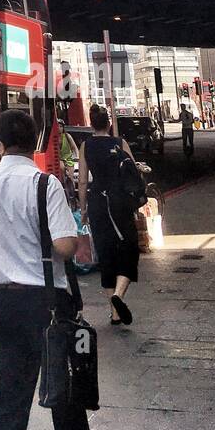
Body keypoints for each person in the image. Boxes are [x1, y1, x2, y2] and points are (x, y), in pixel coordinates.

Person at [0, 106, 97, 430]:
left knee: (6, 396)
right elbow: (65, 247)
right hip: (47, 304)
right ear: (34, 142)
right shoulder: (45, 183)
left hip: (3, 304)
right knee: (65, 395)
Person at [78, 104, 140, 327]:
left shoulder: (85, 146)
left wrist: (83, 210)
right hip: (120, 201)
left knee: (105, 254)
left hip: (97, 202)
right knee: (129, 248)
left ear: (92, 124)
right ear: (109, 124)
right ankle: (119, 295)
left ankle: (114, 313)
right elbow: (132, 170)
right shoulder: (119, 143)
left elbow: (83, 181)